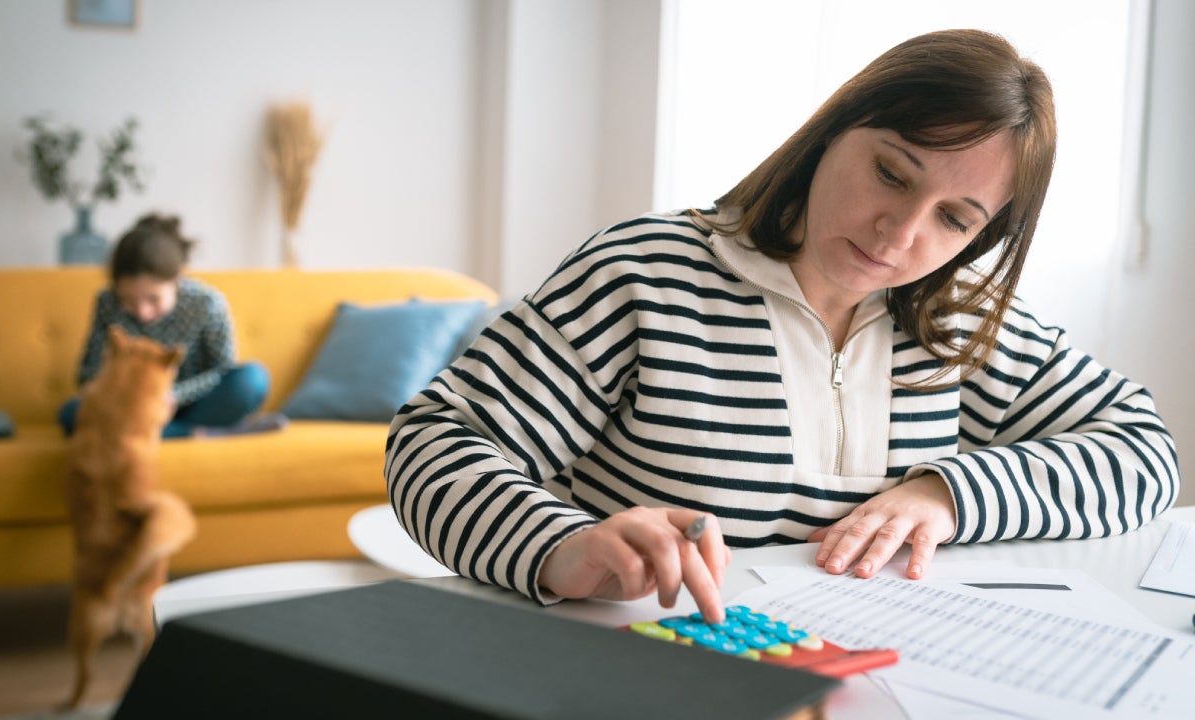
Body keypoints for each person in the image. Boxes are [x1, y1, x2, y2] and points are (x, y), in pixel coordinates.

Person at [384, 29, 1179, 624]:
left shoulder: (962, 324)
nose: (899, 235)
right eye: (891, 173)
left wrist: (949, 494)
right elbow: (434, 443)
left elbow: (1144, 453)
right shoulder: (647, 274)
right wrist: (560, 547)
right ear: (832, 131)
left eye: (954, 219)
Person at [59, 213, 286, 439]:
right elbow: (88, 374)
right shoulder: (107, 303)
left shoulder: (207, 303)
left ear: (177, 280)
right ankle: (203, 434)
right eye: (128, 300)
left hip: (195, 406)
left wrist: (172, 395)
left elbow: (223, 370)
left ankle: (163, 431)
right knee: (71, 413)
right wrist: (131, 398)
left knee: (251, 380)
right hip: (130, 409)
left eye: (153, 299)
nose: (142, 312)